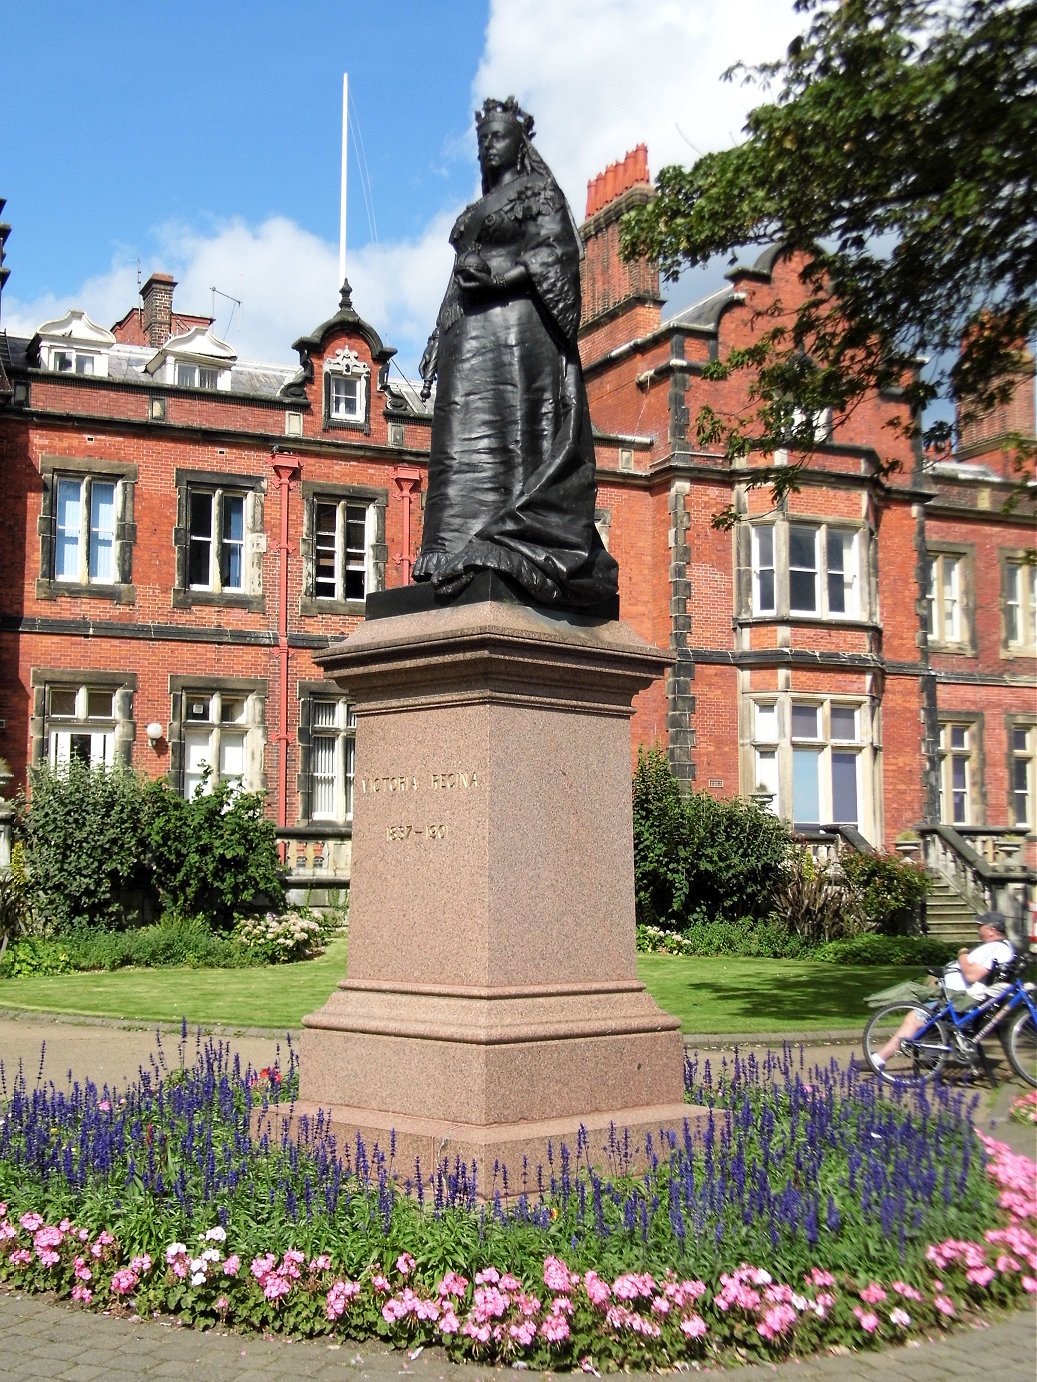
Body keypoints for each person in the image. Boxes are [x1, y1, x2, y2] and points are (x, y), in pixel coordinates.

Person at [413, 96, 619, 609]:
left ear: (518, 142)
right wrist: (441, 332)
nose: (488, 145)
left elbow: (557, 252)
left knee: (511, 435)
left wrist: (501, 277)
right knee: (460, 438)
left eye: (498, 136)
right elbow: (459, 274)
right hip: (469, 335)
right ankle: (450, 548)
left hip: (516, 332)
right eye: (482, 139)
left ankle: (512, 541)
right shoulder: (476, 210)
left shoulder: (538, 192)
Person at [872, 911, 1015, 1069]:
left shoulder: (996, 948)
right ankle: (931, 1055)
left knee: (914, 1018)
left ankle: (879, 1059)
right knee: (924, 997)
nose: (978, 928)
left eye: (981, 925)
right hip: (959, 996)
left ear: (991, 930)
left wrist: (962, 953)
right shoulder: (1001, 947)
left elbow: (971, 974)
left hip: (960, 1000)